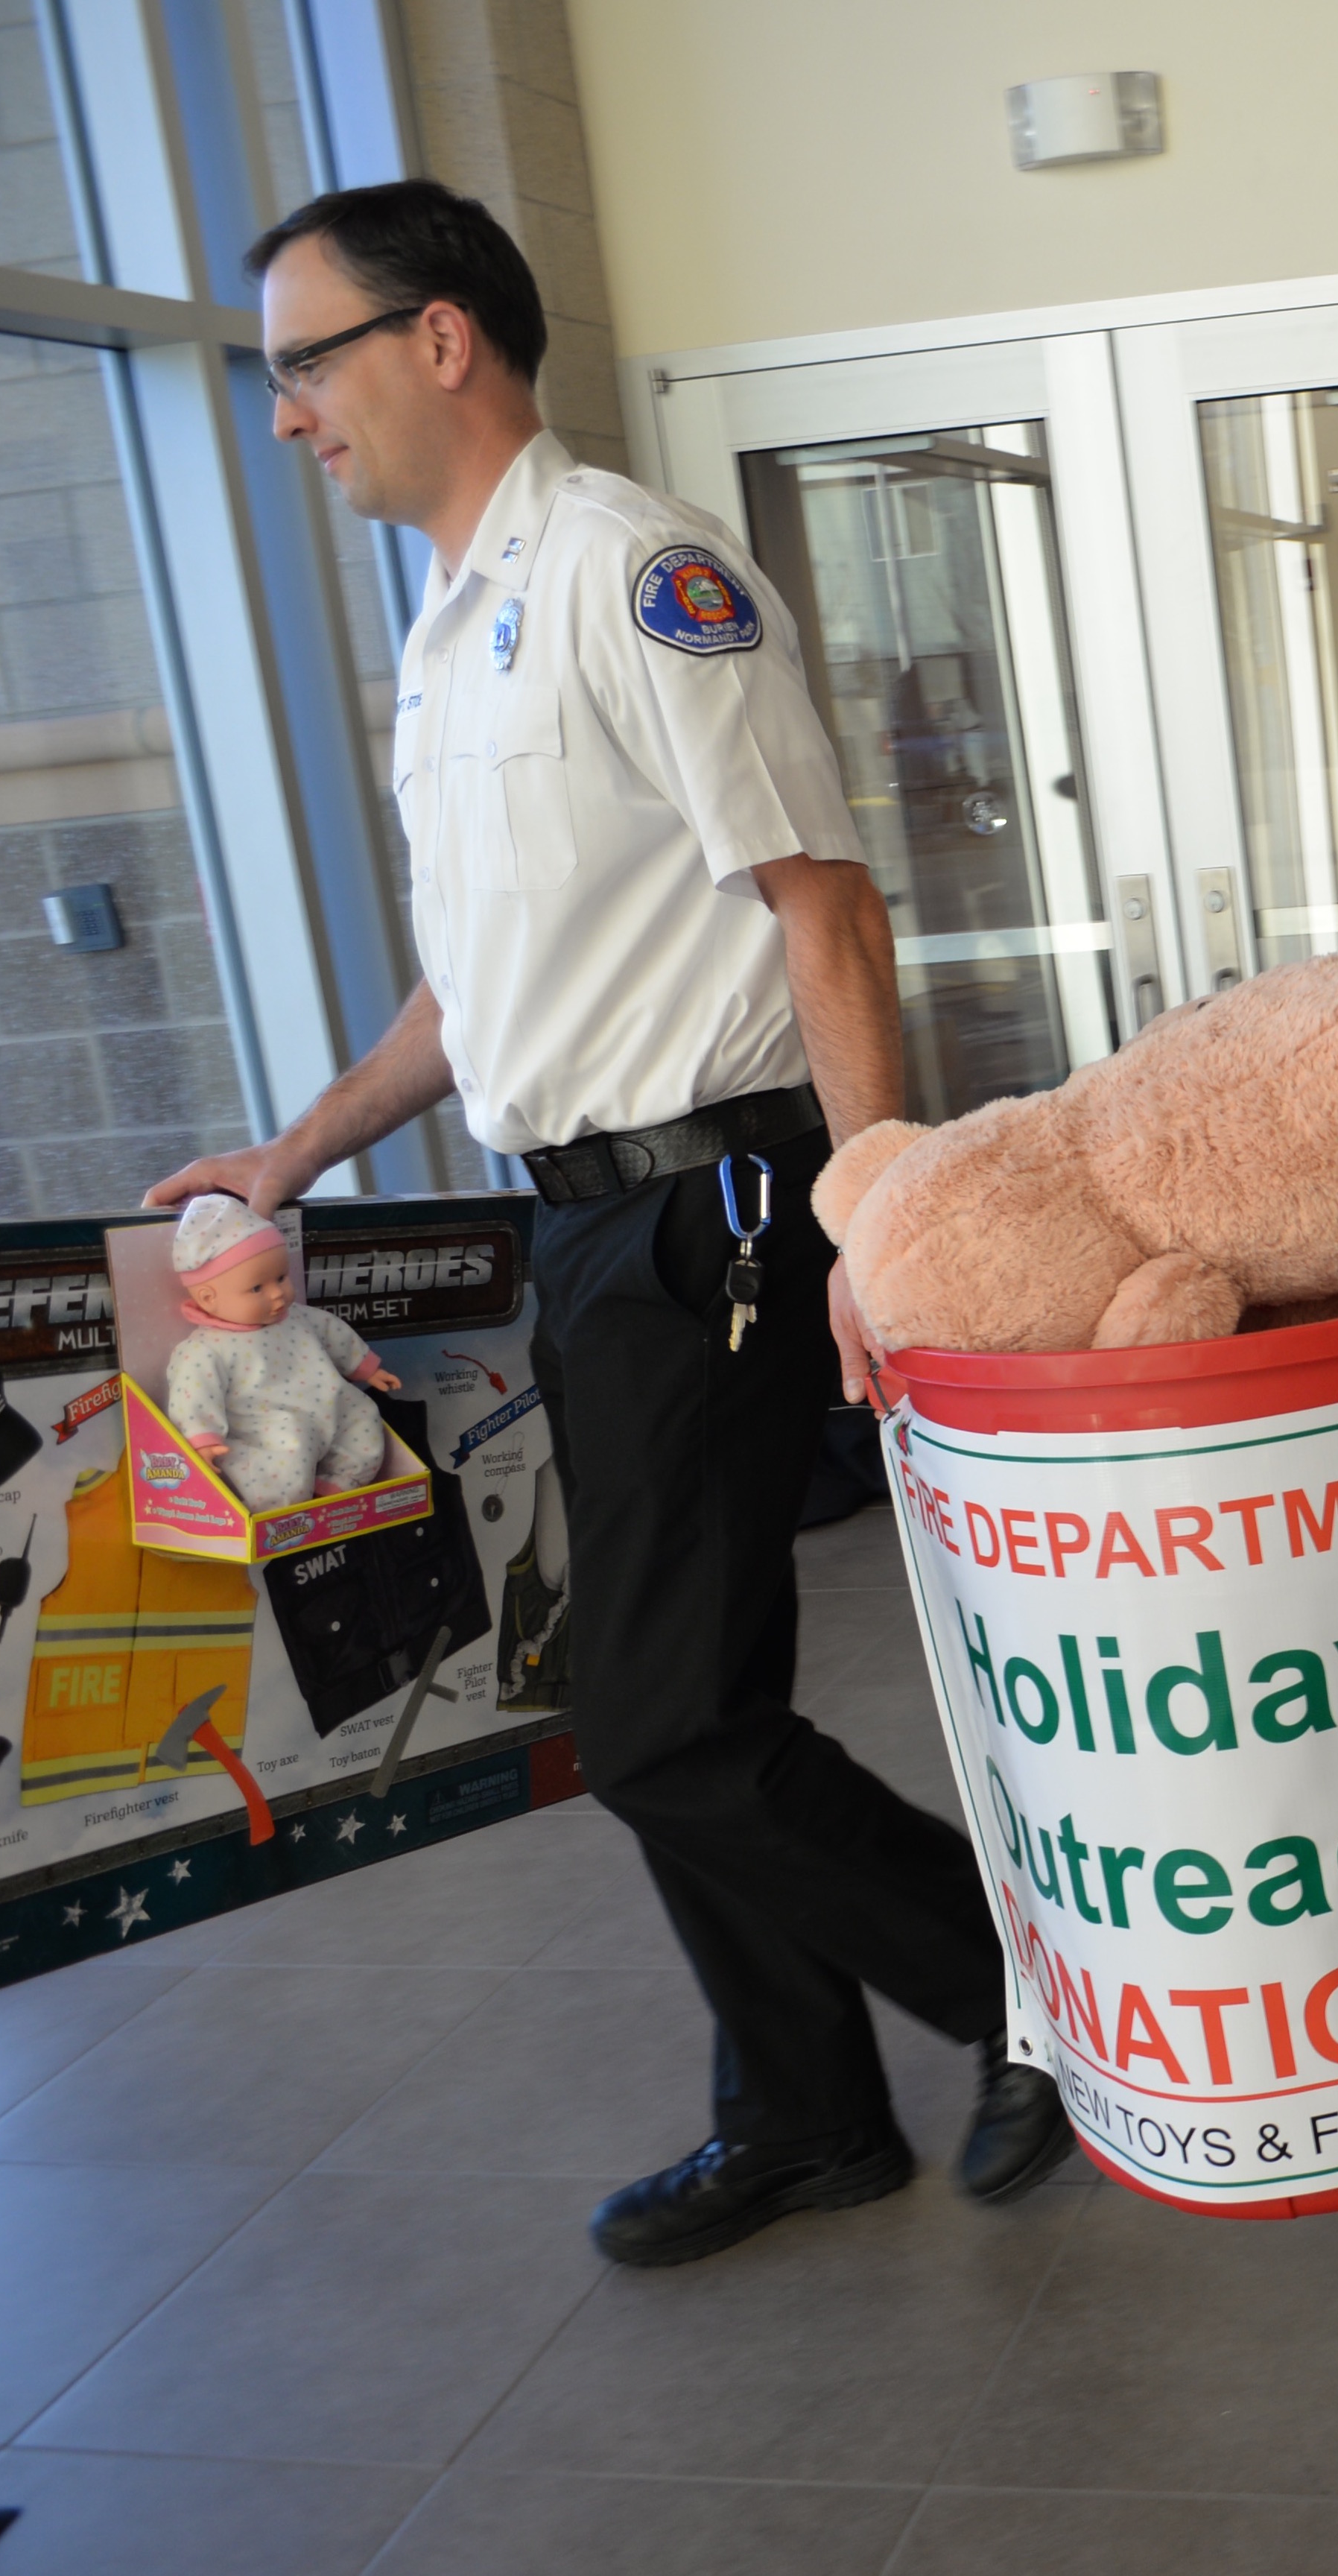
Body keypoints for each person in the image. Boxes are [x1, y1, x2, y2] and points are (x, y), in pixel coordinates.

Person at [148, 181, 1066, 2256]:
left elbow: (822, 902)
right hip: (585, 1226)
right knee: (696, 1689)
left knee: (649, 1720)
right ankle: (806, 2109)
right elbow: (481, 991)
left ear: (442, 338)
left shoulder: (635, 575)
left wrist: (879, 1217)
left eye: (309, 359)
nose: (288, 413)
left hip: (717, 1211)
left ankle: (1033, 2001)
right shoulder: (453, 618)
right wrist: (290, 1156)